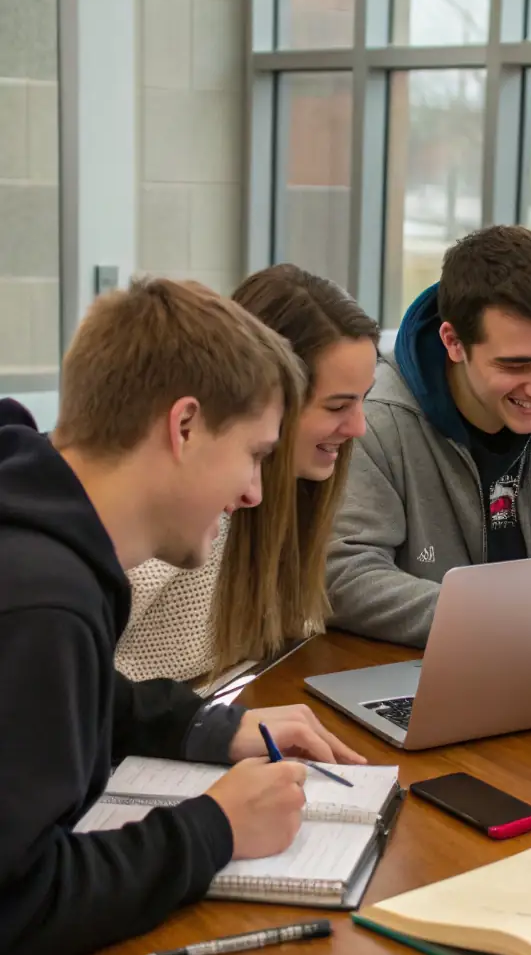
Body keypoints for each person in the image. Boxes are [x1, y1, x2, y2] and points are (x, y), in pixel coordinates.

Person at [0, 280, 363, 955]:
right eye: (254, 455)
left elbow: (85, 698)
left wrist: (210, 727)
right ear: (186, 425)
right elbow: (17, 904)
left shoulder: (37, 530)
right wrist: (214, 828)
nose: (254, 492)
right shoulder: (44, 602)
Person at [326, 225, 531, 646]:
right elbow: (345, 575)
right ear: (453, 342)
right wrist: (498, 620)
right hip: (419, 664)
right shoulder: (374, 420)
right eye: (516, 365)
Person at [116, 264, 380, 686]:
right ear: (265, 401)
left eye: (364, 399)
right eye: (337, 406)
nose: (358, 428)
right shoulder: (169, 519)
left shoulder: (302, 492)